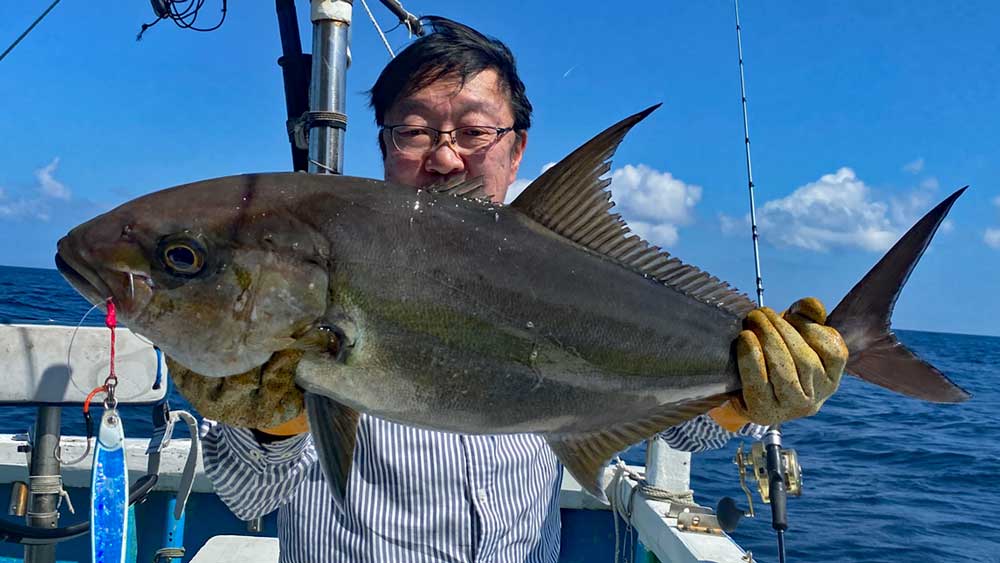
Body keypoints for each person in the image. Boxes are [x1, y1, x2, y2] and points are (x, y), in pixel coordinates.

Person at [193, 17, 847, 563]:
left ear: (517, 149)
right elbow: (248, 494)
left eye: (475, 132)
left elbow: (680, 435)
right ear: (385, 148)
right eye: (415, 131)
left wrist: (745, 396)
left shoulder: (575, 278)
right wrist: (275, 412)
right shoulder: (302, 277)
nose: (445, 157)